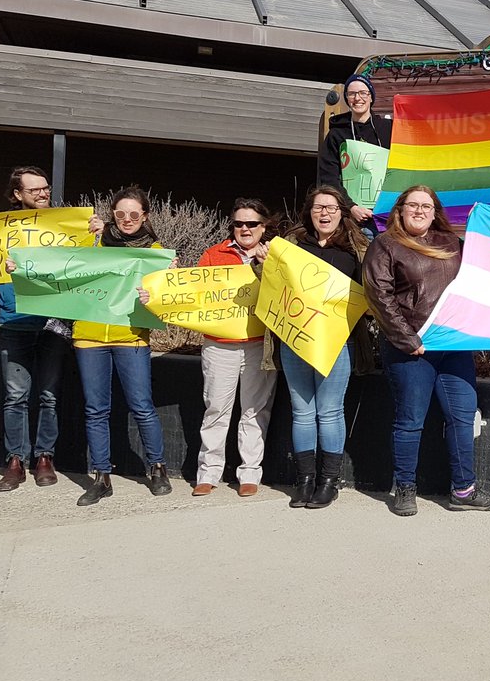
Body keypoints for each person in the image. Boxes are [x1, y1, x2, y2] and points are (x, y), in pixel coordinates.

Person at [363, 185, 490, 517]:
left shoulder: (451, 243)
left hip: (453, 347)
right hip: (410, 348)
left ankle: (464, 491)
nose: (419, 210)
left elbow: (483, 270)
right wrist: (407, 339)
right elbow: (379, 296)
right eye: (412, 204)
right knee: (411, 420)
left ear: (435, 210)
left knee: (462, 416)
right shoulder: (385, 245)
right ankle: (405, 488)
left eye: (426, 206)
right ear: (399, 210)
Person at [256, 185, 367, 509]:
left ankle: (329, 482)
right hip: (294, 340)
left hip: (336, 342)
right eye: (319, 207)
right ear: (310, 211)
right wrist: (262, 263)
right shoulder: (291, 245)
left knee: (330, 411)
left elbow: (371, 292)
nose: (325, 213)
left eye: (332, 208)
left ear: (342, 213)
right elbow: (269, 286)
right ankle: (304, 479)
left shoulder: (356, 248)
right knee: (302, 411)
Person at [0, 168, 70, 492]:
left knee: (49, 397)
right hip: (15, 322)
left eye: (45, 188)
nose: (42, 193)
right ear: (17, 195)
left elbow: (87, 263)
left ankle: (45, 458)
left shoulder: (66, 226)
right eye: (33, 189)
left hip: (55, 323)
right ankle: (15, 461)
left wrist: (94, 234)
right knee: (15, 397)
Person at [70, 186, 173, 505]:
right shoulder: (93, 241)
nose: (127, 220)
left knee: (142, 405)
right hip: (89, 335)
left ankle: (157, 468)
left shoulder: (156, 251)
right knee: (95, 409)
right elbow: (59, 268)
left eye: (134, 214)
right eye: (120, 214)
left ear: (145, 216)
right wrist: (19, 268)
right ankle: (101, 476)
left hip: (131, 337)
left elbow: (167, 301)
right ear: (111, 214)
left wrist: (164, 286)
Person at [192, 198, 279, 497]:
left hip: (259, 345)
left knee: (255, 411)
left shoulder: (277, 256)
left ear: (263, 227)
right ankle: (209, 472)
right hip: (220, 345)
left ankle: (250, 473)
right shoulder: (213, 255)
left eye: (251, 224)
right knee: (216, 409)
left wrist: (269, 266)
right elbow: (194, 295)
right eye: (239, 223)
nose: (244, 229)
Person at [317, 74, 393, 235]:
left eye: (363, 93)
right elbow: (329, 177)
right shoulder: (336, 135)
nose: (357, 98)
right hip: (353, 220)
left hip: (387, 217)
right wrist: (351, 207)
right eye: (352, 94)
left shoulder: (389, 130)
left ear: (371, 97)